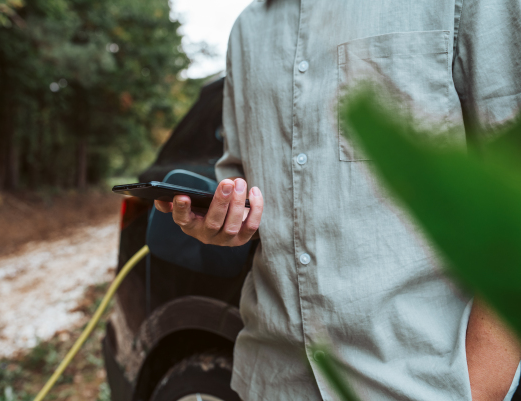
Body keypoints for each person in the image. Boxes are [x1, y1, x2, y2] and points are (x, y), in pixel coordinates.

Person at [155, 0, 521, 399]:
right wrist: (220, 226)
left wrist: (481, 387)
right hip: (270, 380)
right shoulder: (247, 29)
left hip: (424, 385)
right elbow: (242, 184)